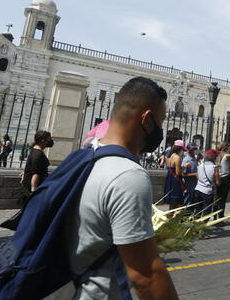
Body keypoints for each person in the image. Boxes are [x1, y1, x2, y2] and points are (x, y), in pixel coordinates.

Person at [64, 76, 178, 299]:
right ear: (146, 119)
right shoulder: (128, 176)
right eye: (161, 122)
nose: (160, 130)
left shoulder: (79, 160)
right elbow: (145, 276)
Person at [193, 149, 221, 217]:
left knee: (197, 210)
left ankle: (196, 224)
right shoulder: (215, 167)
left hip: (198, 189)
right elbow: (218, 183)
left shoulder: (200, 165)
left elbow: (197, 177)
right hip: (207, 192)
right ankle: (203, 226)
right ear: (214, 157)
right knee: (206, 211)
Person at [163, 140, 188, 210]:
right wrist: (184, 167)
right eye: (182, 149)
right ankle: (176, 219)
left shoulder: (169, 157)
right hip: (175, 182)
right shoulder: (177, 158)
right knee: (179, 204)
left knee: (172, 204)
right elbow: (178, 173)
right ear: (179, 149)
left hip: (169, 180)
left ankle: (170, 218)